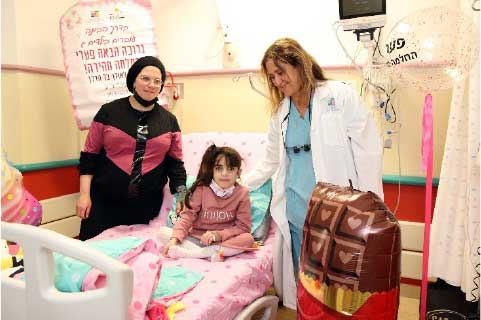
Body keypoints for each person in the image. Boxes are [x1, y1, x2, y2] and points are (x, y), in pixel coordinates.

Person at [244, 38, 384, 309]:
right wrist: (242, 185)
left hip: (337, 213)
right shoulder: (280, 114)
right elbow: (269, 161)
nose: (277, 81)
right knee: (307, 281)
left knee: (340, 281)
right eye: (272, 76)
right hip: (297, 213)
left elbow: (368, 147)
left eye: (281, 72)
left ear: (300, 64)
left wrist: (372, 199)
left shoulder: (338, 95)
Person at [76, 56, 187, 241]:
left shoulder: (169, 121)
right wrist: (84, 196)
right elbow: (89, 156)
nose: (151, 84)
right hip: (103, 204)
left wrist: (183, 194)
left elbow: (175, 165)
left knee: (137, 262)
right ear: (133, 81)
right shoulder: (108, 112)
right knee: (93, 260)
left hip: (146, 209)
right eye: (145, 78)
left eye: (157, 81)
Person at [159, 145, 255, 260]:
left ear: (238, 172)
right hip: (197, 238)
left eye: (230, 169)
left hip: (223, 240)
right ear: (212, 171)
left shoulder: (242, 193)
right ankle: (210, 254)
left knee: (248, 239)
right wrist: (174, 240)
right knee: (162, 233)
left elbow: (243, 227)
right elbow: (187, 217)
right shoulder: (201, 189)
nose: (224, 173)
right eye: (219, 168)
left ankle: (197, 254)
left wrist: (218, 235)